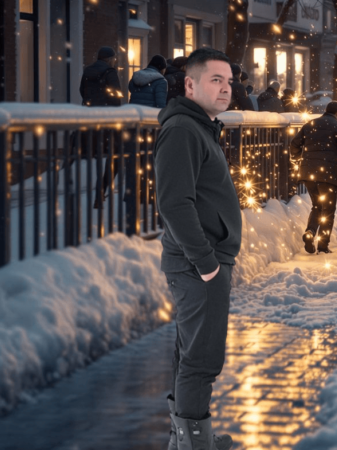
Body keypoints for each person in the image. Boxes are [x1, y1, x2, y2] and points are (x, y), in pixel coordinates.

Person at [153, 47, 239, 450]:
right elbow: (173, 202)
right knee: (202, 360)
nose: (225, 89)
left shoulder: (200, 126)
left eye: (229, 81)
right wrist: (207, 264)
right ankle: (192, 442)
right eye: (215, 80)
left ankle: (186, 436)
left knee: (191, 353)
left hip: (200, 262)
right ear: (190, 84)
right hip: (199, 265)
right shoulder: (184, 130)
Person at [289, 101, 337, 253]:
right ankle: (323, 246)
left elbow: (294, 143)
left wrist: (299, 157)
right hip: (328, 174)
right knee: (328, 210)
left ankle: (310, 232)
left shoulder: (310, 124)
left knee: (317, 206)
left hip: (308, 174)